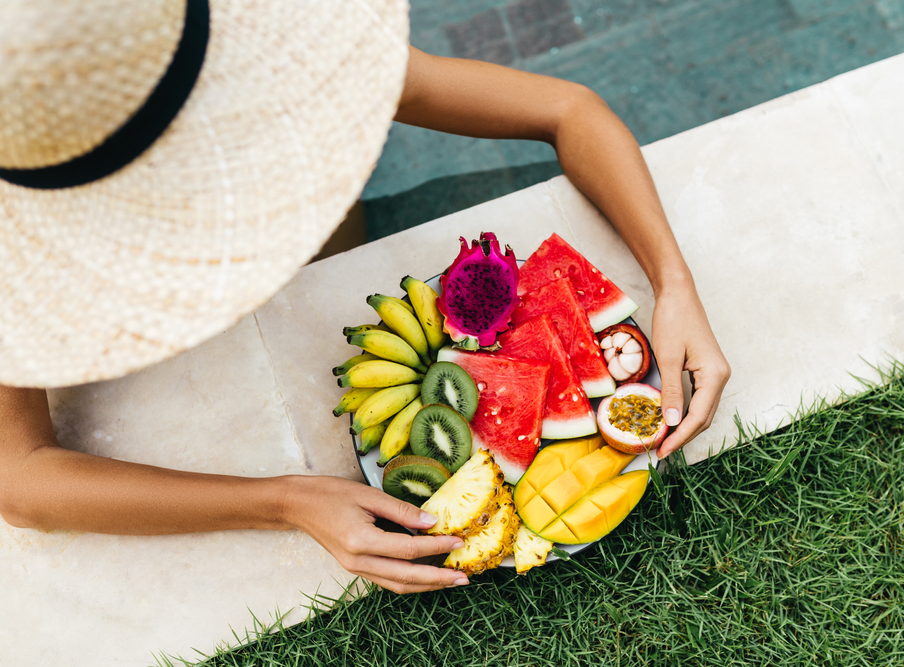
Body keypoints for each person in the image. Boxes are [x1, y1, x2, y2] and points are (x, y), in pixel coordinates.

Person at [0, 18, 729, 593]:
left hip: (342, 265)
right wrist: (282, 500)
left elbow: (568, 110)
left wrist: (674, 281)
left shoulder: (268, 58)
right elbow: (20, 475)